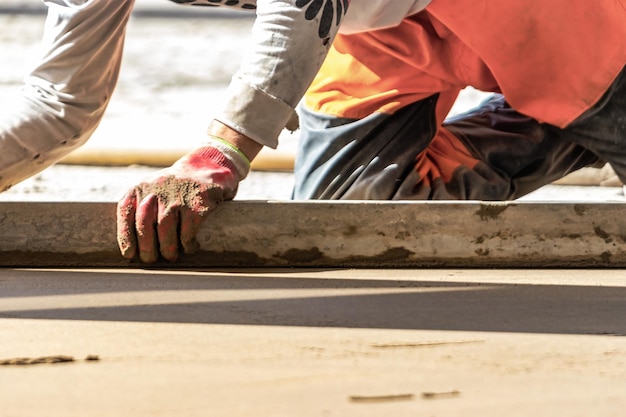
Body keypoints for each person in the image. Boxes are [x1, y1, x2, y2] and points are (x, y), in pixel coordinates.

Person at [2, 1, 625, 264]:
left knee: (596, 82)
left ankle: (592, 109)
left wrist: (222, 150)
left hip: (526, 10)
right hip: (380, 29)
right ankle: (564, 125)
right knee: (351, 218)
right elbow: (58, 102)